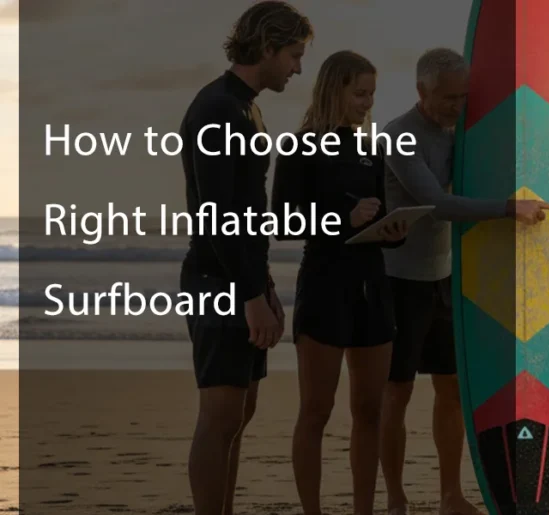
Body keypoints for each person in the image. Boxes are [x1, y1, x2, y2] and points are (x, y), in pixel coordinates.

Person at [377, 47, 549, 515]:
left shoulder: (464, 132)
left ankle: (449, 496)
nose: (456, 108)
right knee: (396, 391)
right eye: (447, 99)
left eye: (463, 98)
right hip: (400, 281)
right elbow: (437, 204)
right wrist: (507, 208)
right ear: (421, 90)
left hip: (445, 278)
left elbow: (508, 156)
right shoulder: (398, 135)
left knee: (452, 388)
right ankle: (396, 496)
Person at [177, 2, 312, 514]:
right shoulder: (215, 108)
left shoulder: (246, 107)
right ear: (268, 46)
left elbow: (249, 215)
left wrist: (266, 287)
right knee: (220, 413)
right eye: (294, 55)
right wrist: (250, 294)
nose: (297, 68)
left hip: (242, 278)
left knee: (241, 411)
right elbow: (216, 216)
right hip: (217, 281)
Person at [271, 50, 408, 515]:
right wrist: (341, 217)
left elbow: (375, 220)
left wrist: (393, 230)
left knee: (369, 412)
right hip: (325, 286)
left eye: (372, 93)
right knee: (316, 411)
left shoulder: (371, 149)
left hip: (372, 286)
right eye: (360, 92)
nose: (368, 102)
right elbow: (283, 221)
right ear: (335, 89)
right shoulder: (298, 147)